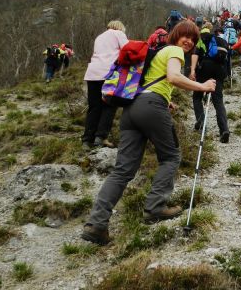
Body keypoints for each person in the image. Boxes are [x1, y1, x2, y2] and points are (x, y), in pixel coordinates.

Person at [81, 21, 216, 245]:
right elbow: (173, 77)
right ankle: (155, 208)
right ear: (175, 35)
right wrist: (203, 86)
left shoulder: (157, 54)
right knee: (171, 157)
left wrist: (168, 100)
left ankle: (96, 224)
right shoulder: (174, 51)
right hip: (152, 107)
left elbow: (152, 83)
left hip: (131, 110)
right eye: (185, 36)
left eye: (193, 39)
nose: (189, 41)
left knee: (122, 170)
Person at [82, 21, 129, 149]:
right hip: (109, 73)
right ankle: (100, 137)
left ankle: (87, 140)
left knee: (94, 106)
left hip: (92, 73)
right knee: (109, 105)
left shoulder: (99, 37)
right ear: (120, 27)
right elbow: (127, 51)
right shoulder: (119, 33)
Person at [190, 23, 230, 143]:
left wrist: (192, 70)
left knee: (197, 96)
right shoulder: (221, 41)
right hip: (220, 70)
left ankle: (201, 121)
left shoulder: (202, 40)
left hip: (205, 68)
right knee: (218, 100)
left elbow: (195, 55)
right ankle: (224, 130)